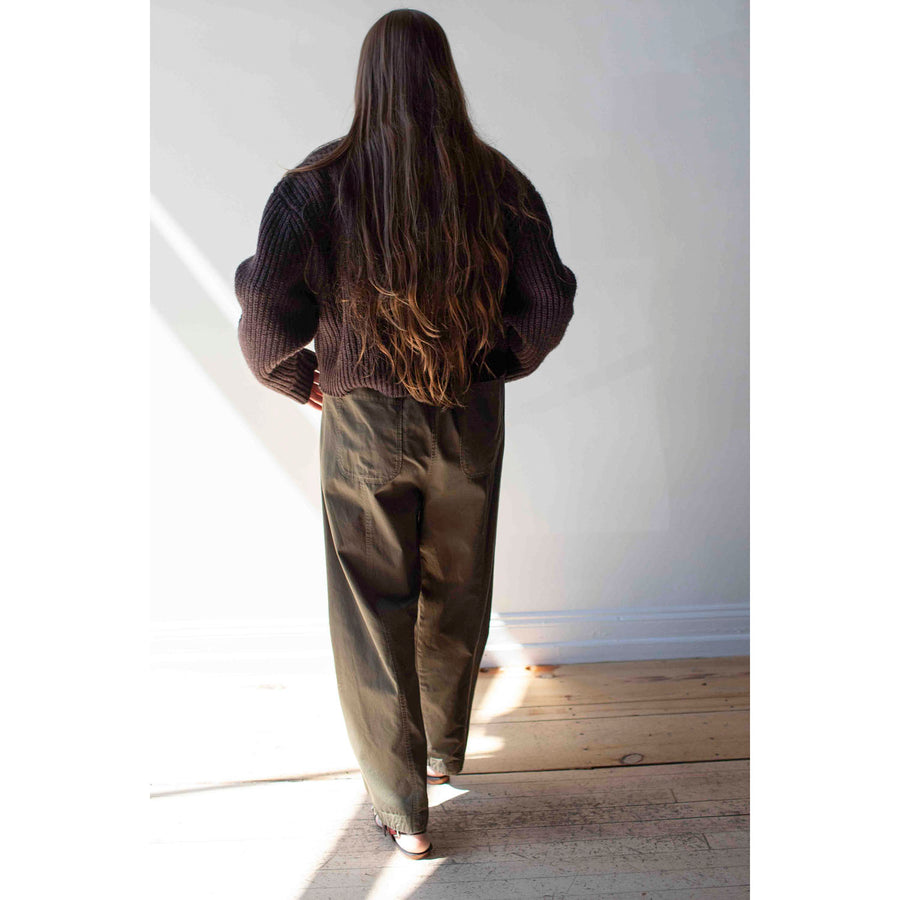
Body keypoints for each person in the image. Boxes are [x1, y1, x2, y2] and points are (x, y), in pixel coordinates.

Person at [234, 8, 577, 860]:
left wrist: (296, 376)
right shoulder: (498, 180)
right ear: (446, 78)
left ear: (367, 80)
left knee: (370, 603)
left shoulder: (316, 184)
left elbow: (266, 306)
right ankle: (442, 752)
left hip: (364, 423)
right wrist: (494, 363)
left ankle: (402, 809)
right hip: (467, 415)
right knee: (456, 585)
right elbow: (548, 301)